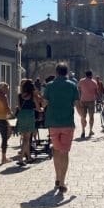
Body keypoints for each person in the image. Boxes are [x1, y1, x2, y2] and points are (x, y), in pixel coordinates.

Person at [43, 63, 79, 193]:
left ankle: (58, 177)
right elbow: (76, 103)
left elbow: (44, 103)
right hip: (67, 122)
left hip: (52, 122)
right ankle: (62, 181)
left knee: (57, 150)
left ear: (57, 72)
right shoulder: (72, 85)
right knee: (65, 152)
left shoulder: (49, 86)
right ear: (67, 72)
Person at [15, 79, 39, 165]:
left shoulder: (19, 95)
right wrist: (40, 109)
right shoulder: (33, 96)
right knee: (26, 138)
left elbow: (20, 107)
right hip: (29, 116)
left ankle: (28, 157)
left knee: (25, 137)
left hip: (21, 116)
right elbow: (38, 108)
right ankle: (21, 158)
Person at [76, 70, 99, 139]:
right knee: (91, 117)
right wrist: (99, 99)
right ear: (91, 75)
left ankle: (83, 131)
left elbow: (79, 89)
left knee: (83, 117)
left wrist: (79, 98)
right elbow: (96, 92)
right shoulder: (94, 82)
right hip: (91, 101)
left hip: (83, 100)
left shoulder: (81, 81)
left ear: (85, 75)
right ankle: (90, 130)